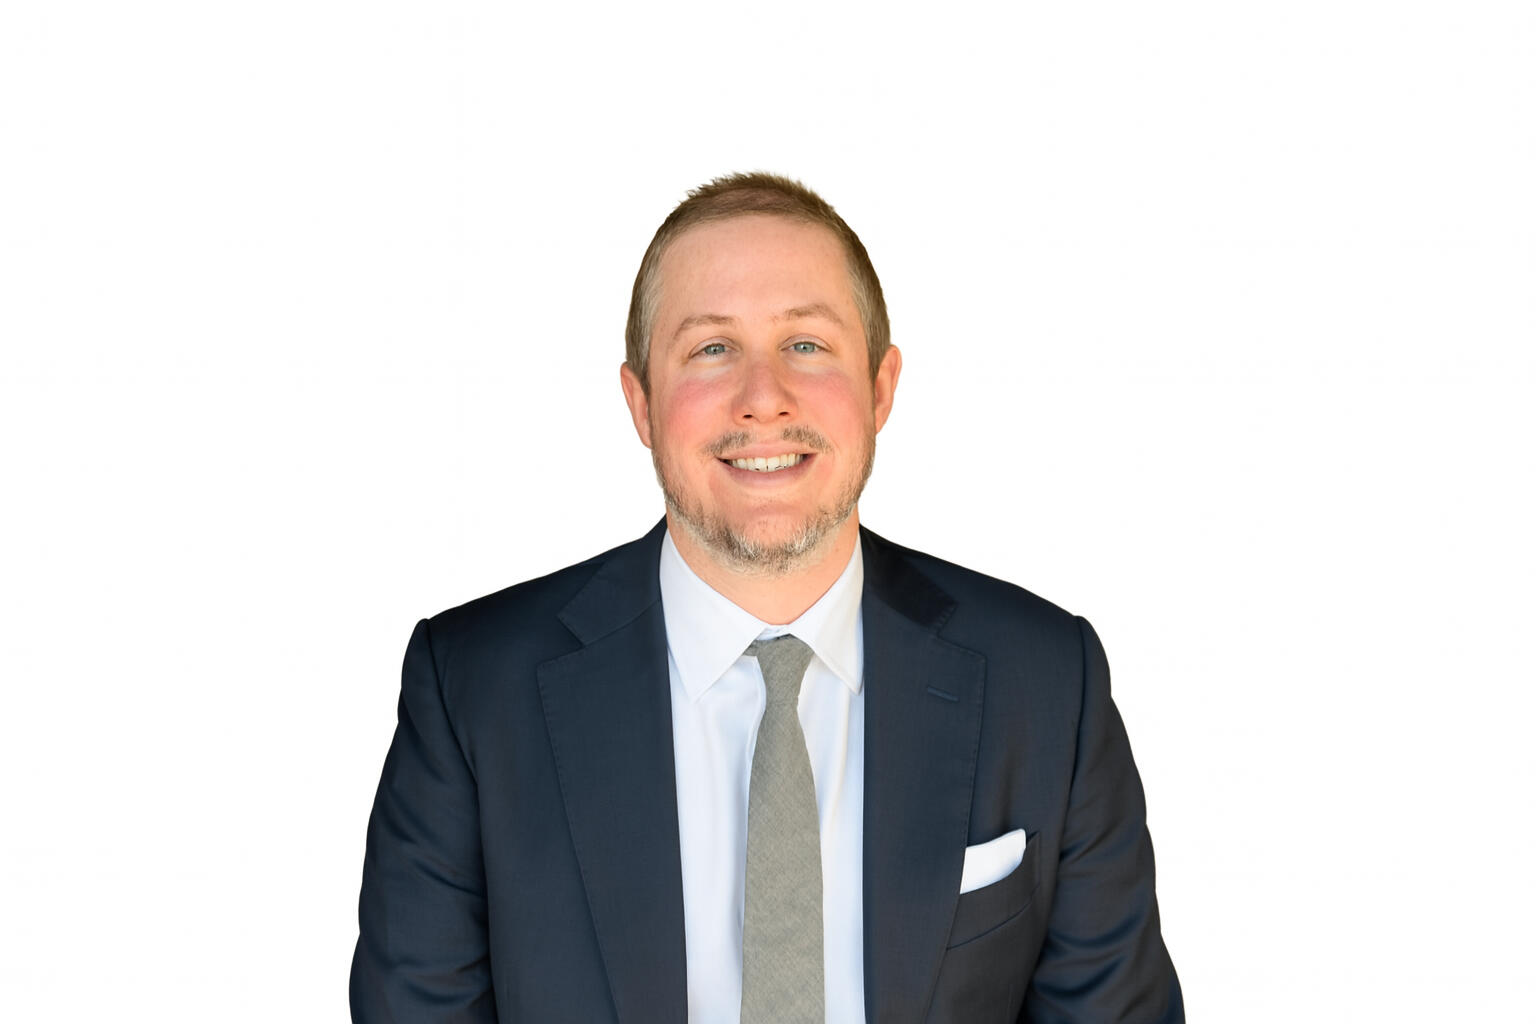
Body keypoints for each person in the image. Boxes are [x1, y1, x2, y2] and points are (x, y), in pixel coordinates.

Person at [350, 172, 1183, 1023]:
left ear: (881, 388)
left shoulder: (1047, 685)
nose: (763, 399)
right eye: (712, 349)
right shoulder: (471, 691)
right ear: (641, 404)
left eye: (807, 345)